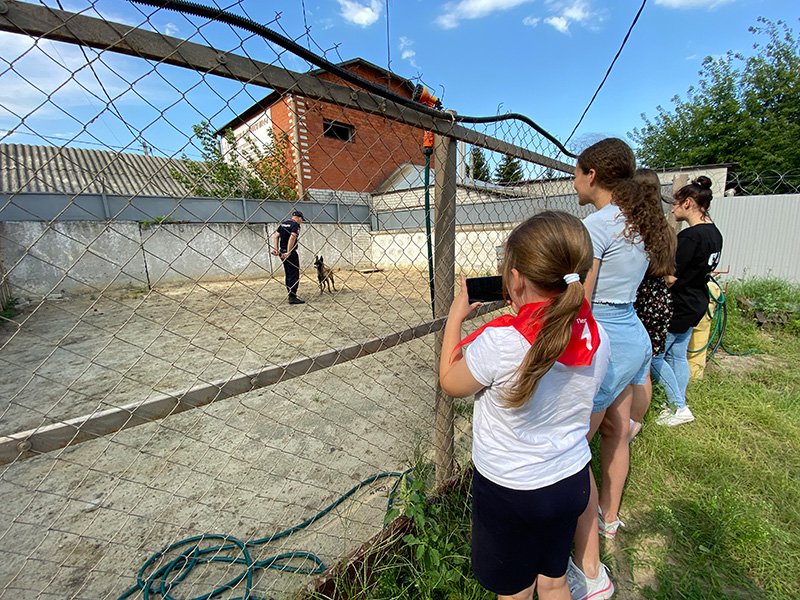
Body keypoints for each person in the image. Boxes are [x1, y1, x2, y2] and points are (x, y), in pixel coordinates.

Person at [439, 211, 610, 600]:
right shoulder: (595, 335)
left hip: (510, 493)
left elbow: (450, 382)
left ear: (514, 280)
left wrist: (454, 318)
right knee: (553, 582)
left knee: (515, 591)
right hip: (570, 481)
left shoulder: (500, 344)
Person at [568, 139, 675, 600]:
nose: (573, 181)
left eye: (576, 172)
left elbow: (582, 301)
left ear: (591, 174)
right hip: (634, 334)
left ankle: (586, 564)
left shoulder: (596, 224)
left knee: (574, 450)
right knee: (616, 429)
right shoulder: (638, 220)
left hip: (603, 337)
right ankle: (610, 519)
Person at [652, 176, 723, 426]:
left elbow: (671, 276)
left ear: (689, 203)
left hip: (678, 305)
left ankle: (679, 407)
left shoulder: (690, 237)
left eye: (676, 203)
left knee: (654, 357)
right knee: (678, 356)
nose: (672, 208)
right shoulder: (715, 234)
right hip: (697, 301)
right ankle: (675, 402)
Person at [630, 169, 677, 441]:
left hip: (640, 298)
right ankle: (635, 422)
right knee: (645, 364)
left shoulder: (637, 230)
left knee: (631, 366)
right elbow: (669, 271)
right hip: (661, 299)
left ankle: (624, 420)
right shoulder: (668, 230)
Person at [272, 210, 306, 305]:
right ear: (298, 218)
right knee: (294, 274)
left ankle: (290, 293)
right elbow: (293, 236)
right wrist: (289, 251)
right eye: (301, 219)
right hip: (290, 253)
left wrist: (276, 249)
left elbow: (275, 236)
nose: (301, 221)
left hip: (281, 252)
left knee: (288, 273)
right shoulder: (295, 225)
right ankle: (292, 296)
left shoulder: (284, 224)